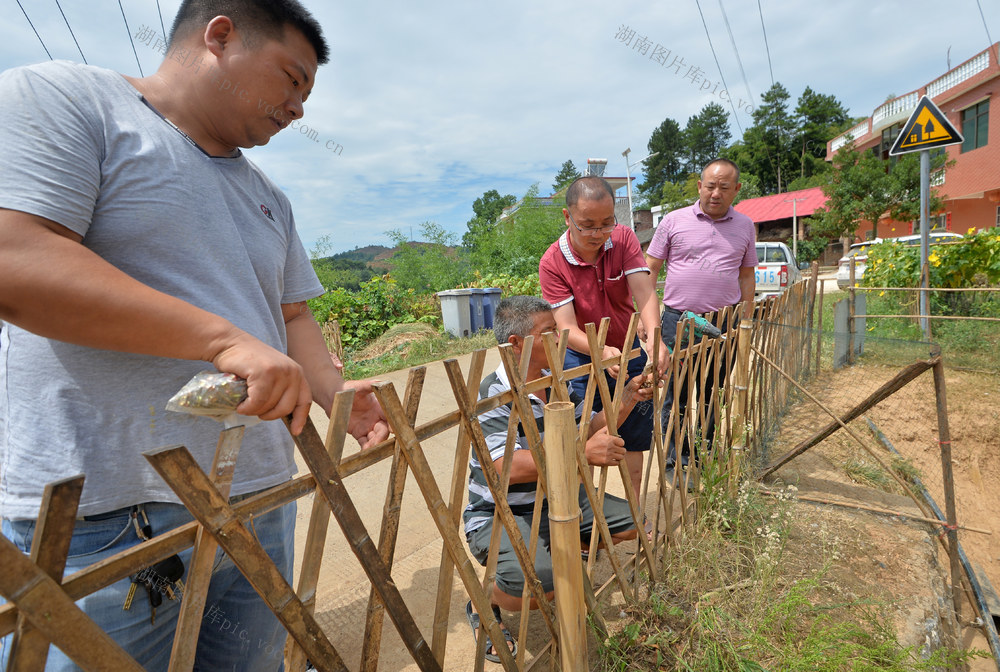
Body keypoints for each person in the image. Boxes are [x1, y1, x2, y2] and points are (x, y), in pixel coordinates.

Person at [0, 2, 387, 670]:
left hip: (259, 491)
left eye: (307, 95)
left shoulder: (267, 195)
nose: (298, 108)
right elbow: (16, 260)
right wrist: (218, 339)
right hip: (110, 507)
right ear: (220, 34)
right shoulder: (67, 99)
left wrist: (334, 388)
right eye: (290, 79)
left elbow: (291, 316)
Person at [463, 296, 648, 663]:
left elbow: (587, 427)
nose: (561, 338)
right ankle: (483, 600)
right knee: (533, 590)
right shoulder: (494, 393)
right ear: (517, 344)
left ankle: (563, 552)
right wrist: (580, 455)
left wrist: (626, 399)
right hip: (502, 515)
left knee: (635, 524)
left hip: (558, 501)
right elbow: (507, 468)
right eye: (549, 332)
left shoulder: (557, 380)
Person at [538, 175, 666, 500]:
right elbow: (565, 326)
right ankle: (588, 519)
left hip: (628, 350)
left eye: (606, 223)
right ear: (568, 218)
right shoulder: (552, 262)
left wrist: (655, 337)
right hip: (580, 358)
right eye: (587, 225)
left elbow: (644, 293)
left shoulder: (623, 239)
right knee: (587, 435)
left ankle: (635, 511)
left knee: (634, 435)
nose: (598, 233)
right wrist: (600, 351)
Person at [644, 158, 756, 486]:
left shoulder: (745, 225)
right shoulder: (673, 221)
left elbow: (747, 274)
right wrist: (644, 316)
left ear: (736, 190)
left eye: (724, 187)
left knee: (712, 392)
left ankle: (702, 455)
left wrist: (745, 315)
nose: (715, 193)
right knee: (676, 394)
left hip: (723, 321)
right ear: (699, 187)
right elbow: (650, 268)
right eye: (710, 186)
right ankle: (674, 464)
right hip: (679, 320)